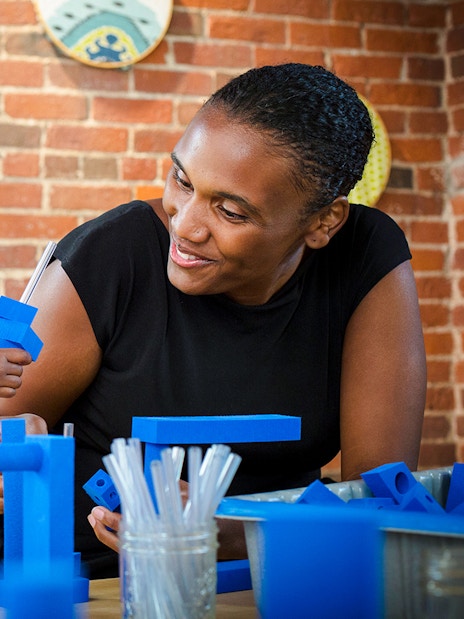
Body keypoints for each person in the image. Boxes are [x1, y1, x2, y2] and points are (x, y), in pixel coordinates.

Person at [0, 63, 427, 579]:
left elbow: (382, 497)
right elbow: (10, 442)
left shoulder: (364, 253)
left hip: (279, 580)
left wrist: (237, 532)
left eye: (230, 211)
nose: (185, 225)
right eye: (182, 180)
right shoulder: (111, 256)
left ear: (323, 222)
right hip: (93, 582)